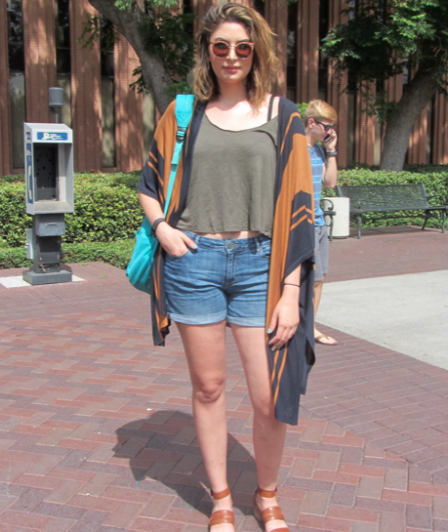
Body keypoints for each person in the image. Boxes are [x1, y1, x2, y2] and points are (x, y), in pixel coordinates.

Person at [136, 4, 316, 532]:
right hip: (195, 262)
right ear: (207, 52)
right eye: (221, 47)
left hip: (263, 266)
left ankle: (266, 494)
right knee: (209, 387)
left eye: (242, 47)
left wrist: (290, 291)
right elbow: (149, 186)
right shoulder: (183, 113)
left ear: (255, 50)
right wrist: (164, 231)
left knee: (267, 396)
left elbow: (300, 205)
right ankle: (219, 498)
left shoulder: (285, 116)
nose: (232, 56)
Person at [303, 100, 339, 346]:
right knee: (302, 278)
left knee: (319, 278)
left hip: (318, 222)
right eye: (327, 127)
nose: (330, 132)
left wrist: (332, 150)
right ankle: (299, 326)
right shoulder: (294, 149)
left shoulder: (318, 150)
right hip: (301, 224)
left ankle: (310, 326)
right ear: (312, 123)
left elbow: (330, 183)